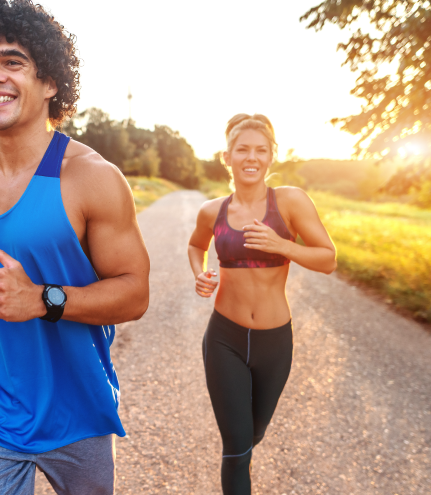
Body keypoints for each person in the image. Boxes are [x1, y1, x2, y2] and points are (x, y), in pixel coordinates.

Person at [0, 1, 150, 493]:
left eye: (13, 62)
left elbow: (135, 294)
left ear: (50, 82)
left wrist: (40, 299)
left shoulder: (92, 179)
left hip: (77, 407)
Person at [187, 114, 337, 494]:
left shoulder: (289, 201)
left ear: (272, 156)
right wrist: (199, 273)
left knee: (254, 433)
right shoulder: (213, 211)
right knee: (236, 449)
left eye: (260, 150)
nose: (251, 157)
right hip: (224, 337)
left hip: (275, 342)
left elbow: (328, 258)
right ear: (227, 157)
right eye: (242, 150)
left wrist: (282, 245)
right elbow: (195, 245)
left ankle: (247, 441)